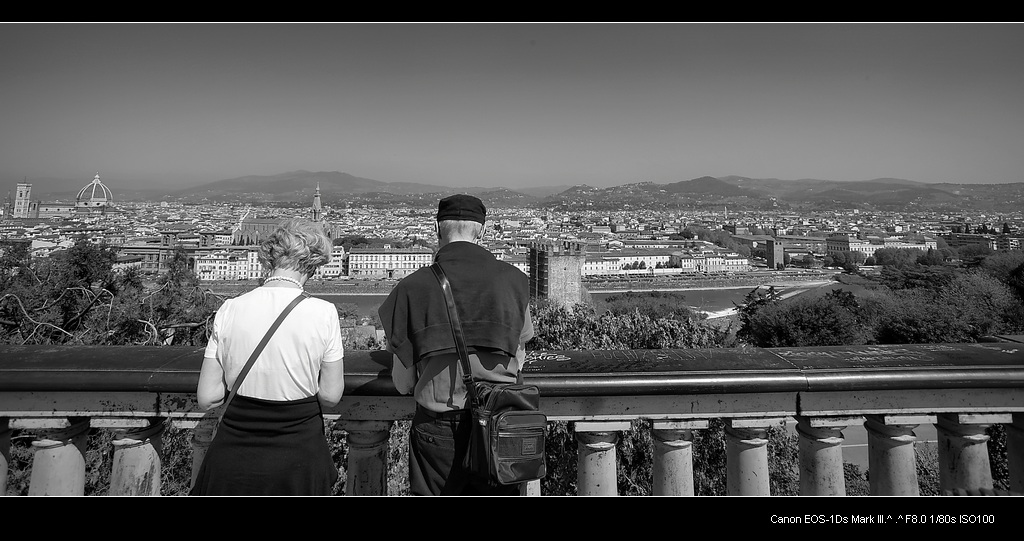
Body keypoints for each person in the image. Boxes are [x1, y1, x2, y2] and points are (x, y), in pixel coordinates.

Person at [379, 194, 534, 496]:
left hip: (438, 430)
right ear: (484, 232)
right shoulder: (514, 281)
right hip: (500, 424)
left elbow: (401, 382)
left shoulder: (412, 288)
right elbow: (520, 355)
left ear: (437, 229)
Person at [191, 217, 345, 496]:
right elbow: (331, 395)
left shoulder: (230, 309)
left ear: (270, 257)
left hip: (233, 452)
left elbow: (207, 397)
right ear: (314, 263)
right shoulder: (324, 313)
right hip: (299, 454)